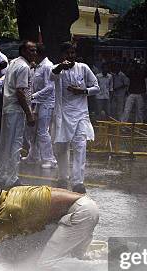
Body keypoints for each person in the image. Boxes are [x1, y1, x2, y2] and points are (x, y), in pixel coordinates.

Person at [0, 184, 99, 270]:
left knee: (46, 265)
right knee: (76, 257)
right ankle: (108, 261)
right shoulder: (14, 192)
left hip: (81, 213)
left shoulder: (5, 213)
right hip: (86, 205)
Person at [50, 42, 99, 194]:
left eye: (73, 53)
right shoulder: (57, 69)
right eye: (68, 53)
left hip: (81, 115)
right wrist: (60, 67)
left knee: (80, 147)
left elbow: (96, 87)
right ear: (62, 55)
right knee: (61, 148)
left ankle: (78, 182)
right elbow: (52, 75)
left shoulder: (83, 68)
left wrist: (83, 91)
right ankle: (63, 178)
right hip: (63, 116)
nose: (71, 56)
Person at [0, 41, 37, 188]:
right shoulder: (23, 67)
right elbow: (20, 92)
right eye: (31, 50)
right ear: (23, 51)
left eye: (35, 51)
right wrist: (29, 114)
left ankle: (0, 175)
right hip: (16, 110)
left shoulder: (15, 63)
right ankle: (12, 178)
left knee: (5, 144)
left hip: (9, 108)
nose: (34, 53)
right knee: (15, 145)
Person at [23, 43, 57, 168]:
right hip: (37, 103)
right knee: (33, 130)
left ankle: (50, 159)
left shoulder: (48, 66)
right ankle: (33, 155)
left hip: (46, 103)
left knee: (43, 131)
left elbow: (50, 87)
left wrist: (33, 96)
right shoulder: (37, 66)